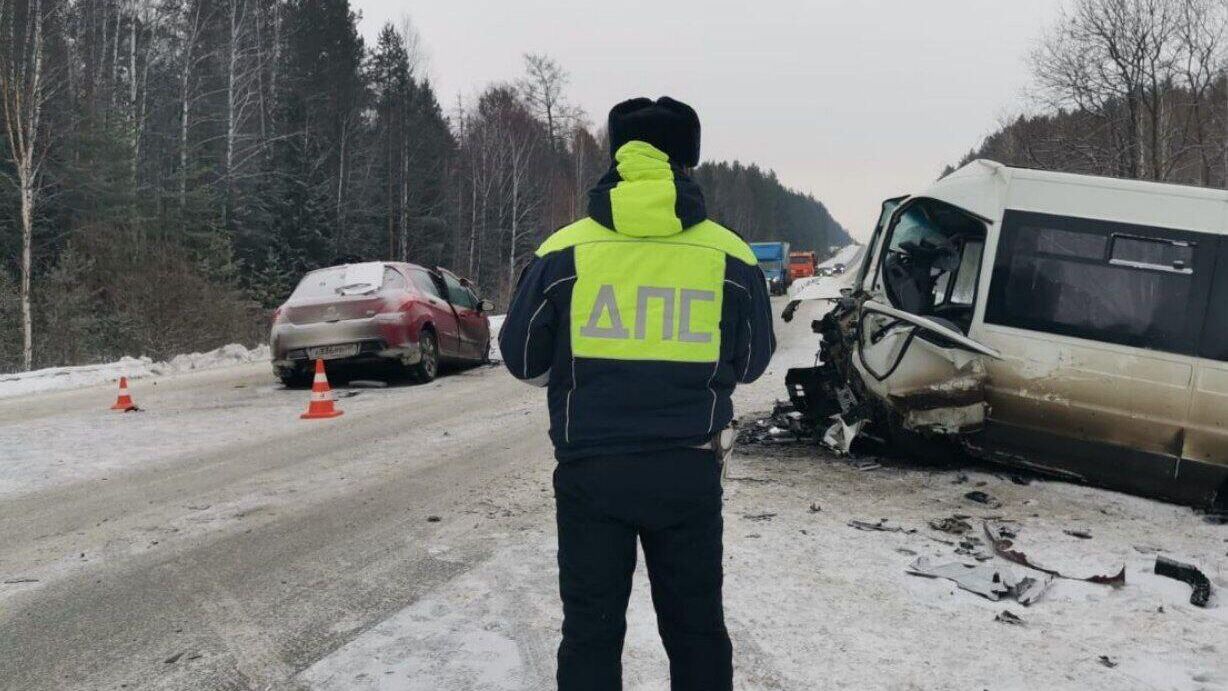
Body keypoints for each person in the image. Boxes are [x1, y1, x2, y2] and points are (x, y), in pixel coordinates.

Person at [499, 96, 775, 691]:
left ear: (616, 156)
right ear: (688, 164)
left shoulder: (563, 250)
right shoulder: (730, 255)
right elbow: (752, 364)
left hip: (591, 471)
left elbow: (522, 358)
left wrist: (575, 374)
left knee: (591, 635)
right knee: (697, 630)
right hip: (688, 472)